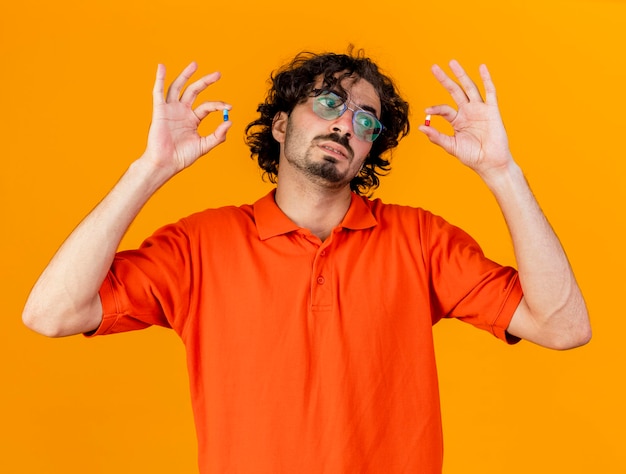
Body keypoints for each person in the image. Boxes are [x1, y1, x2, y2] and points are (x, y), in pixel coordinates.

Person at [22, 49, 591, 473]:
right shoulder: (201, 245)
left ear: (369, 150)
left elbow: (563, 327)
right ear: (280, 123)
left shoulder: (419, 240)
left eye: (366, 120)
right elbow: (50, 312)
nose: (346, 122)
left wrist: (502, 174)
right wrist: (149, 170)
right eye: (328, 102)